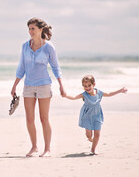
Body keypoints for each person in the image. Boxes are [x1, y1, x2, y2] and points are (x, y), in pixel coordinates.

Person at [11, 18, 66, 158]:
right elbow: (21, 67)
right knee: (29, 119)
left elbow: (55, 67)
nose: (30, 31)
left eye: (33, 28)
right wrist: (15, 85)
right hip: (28, 85)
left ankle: (47, 149)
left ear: (40, 29)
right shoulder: (25, 46)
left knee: (44, 118)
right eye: (29, 29)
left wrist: (61, 85)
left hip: (44, 85)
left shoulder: (49, 47)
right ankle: (34, 146)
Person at [62, 75, 127, 155]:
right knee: (89, 135)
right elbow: (74, 97)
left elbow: (109, 94)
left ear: (94, 84)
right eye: (85, 86)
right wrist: (65, 96)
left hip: (97, 115)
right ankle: (89, 138)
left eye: (89, 85)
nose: (87, 88)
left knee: (97, 133)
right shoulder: (84, 95)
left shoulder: (99, 93)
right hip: (87, 117)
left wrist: (120, 90)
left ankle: (93, 149)